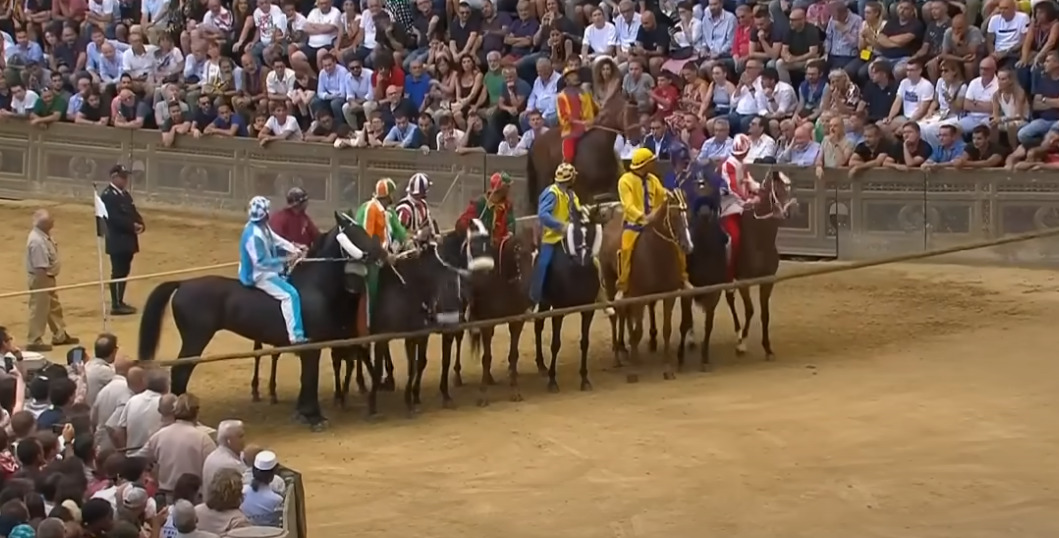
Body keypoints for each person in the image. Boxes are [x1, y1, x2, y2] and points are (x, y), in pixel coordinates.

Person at [529, 163, 613, 316]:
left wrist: (591, 213)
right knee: (543, 264)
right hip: (552, 238)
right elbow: (543, 214)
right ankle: (535, 300)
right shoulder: (551, 193)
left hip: (571, 237)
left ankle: (601, 295)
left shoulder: (571, 195)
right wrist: (561, 226)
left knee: (593, 260)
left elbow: (579, 210)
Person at [614, 147, 692, 302]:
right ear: (644, 164)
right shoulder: (625, 181)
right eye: (651, 162)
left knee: (676, 243)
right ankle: (623, 286)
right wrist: (644, 217)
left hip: (655, 220)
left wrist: (670, 195)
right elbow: (628, 206)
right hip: (634, 224)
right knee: (626, 249)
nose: (654, 164)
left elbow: (662, 192)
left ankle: (683, 278)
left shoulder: (652, 179)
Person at [237, 196, 308, 345]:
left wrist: (294, 249)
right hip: (257, 275)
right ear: (264, 215)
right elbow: (262, 263)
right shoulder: (253, 235)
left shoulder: (261, 227)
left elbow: (275, 239)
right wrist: (286, 260)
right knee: (290, 295)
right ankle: (295, 336)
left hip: (264, 268)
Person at [353, 179, 408, 326]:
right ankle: (368, 323)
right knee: (372, 291)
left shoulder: (385, 211)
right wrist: (385, 255)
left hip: (382, 257)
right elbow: (367, 239)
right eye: (392, 194)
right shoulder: (371, 209)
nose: (394, 197)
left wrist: (401, 245)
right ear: (388, 195)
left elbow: (396, 234)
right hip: (370, 261)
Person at [25, 209, 78, 352]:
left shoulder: (43, 236)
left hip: (47, 277)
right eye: (51, 221)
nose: (53, 223)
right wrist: (43, 286)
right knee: (39, 310)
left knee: (53, 307)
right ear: (44, 224)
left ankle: (59, 335)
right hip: (41, 278)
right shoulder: (37, 241)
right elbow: (39, 266)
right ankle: (34, 340)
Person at [99, 165, 145, 316]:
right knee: (118, 271)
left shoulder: (124, 194)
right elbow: (113, 219)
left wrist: (140, 223)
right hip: (117, 240)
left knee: (124, 271)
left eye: (126, 177)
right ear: (114, 177)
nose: (125, 180)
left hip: (127, 240)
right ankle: (116, 304)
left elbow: (133, 211)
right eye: (122, 177)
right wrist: (132, 226)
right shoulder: (108, 196)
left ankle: (119, 300)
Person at [718, 133, 760, 281]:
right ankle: (729, 274)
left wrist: (757, 190)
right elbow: (732, 187)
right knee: (735, 238)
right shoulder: (729, 165)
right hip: (730, 207)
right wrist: (747, 200)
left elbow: (748, 180)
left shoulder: (742, 164)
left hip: (744, 204)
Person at [455, 172, 517, 245]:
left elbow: (511, 222)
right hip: (482, 247)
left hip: (500, 248)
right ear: (501, 187)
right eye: (508, 186)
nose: (509, 189)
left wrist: (510, 233)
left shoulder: (507, 205)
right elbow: (463, 222)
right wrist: (472, 231)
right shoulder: (480, 204)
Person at [556, 65, 596, 163]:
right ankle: (566, 166)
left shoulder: (586, 93)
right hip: (572, 131)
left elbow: (595, 108)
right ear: (566, 80)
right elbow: (564, 118)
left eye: (576, 75)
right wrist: (581, 123)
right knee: (569, 152)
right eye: (572, 76)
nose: (576, 77)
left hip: (591, 127)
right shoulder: (562, 96)